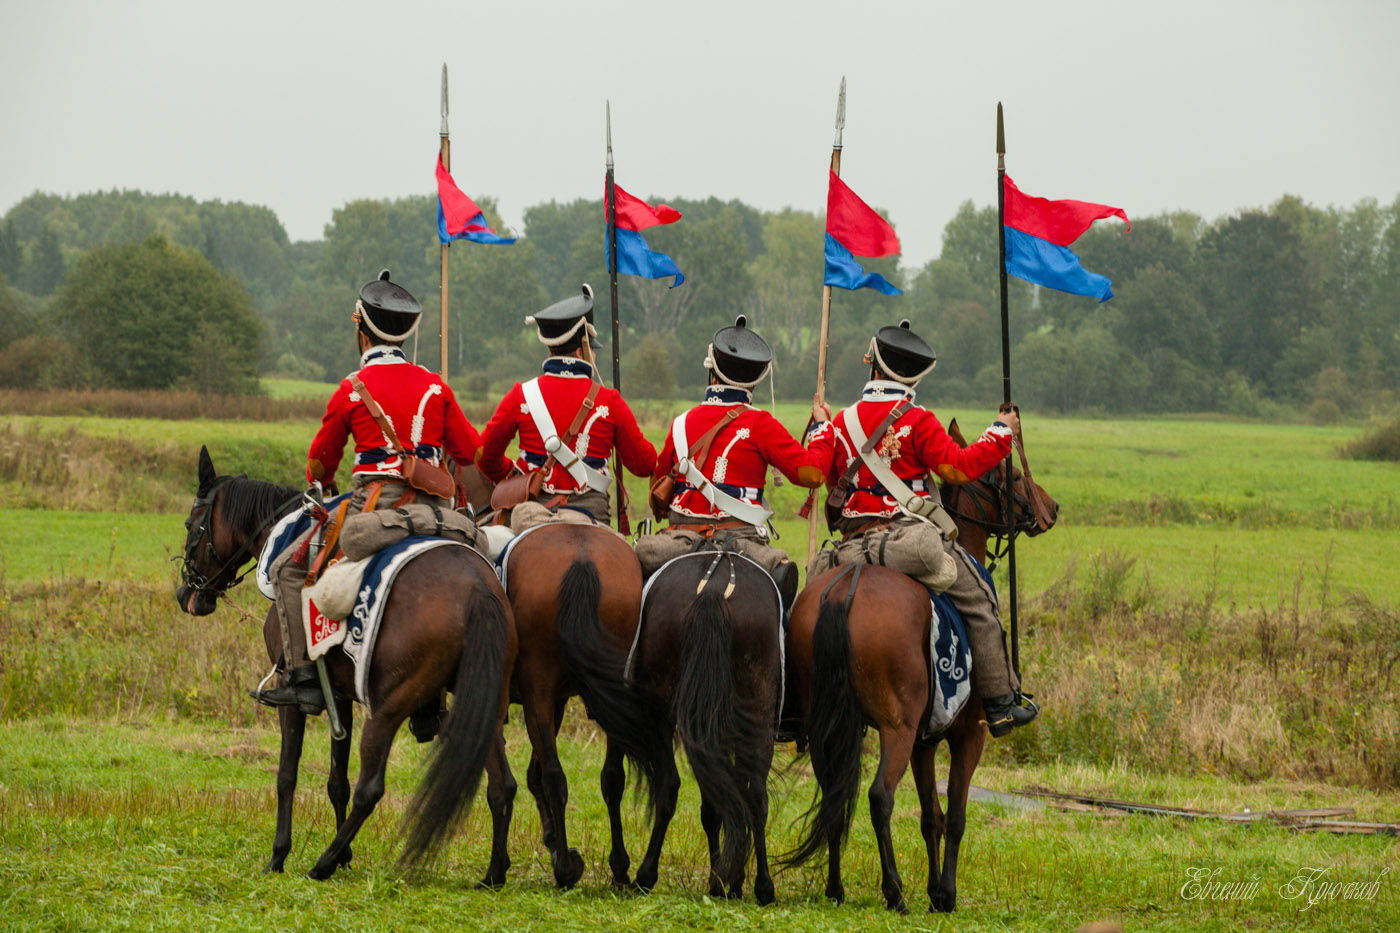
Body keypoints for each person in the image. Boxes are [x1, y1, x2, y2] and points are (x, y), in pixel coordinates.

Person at [252, 269, 481, 716]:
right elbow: (470, 451)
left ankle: (303, 679)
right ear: (404, 334)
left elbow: (320, 460)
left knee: (286, 570)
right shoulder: (436, 386)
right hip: (438, 510)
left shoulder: (351, 389)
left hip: (375, 507)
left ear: (362, 330)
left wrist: (327, 477)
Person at [806, 319, 1036, 736]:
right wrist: (1002, 431)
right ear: (914, 374)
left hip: (853, 544)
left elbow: (830, 480)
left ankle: (794, 707)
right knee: (981, 599)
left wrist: (819, 426)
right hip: (908, 539)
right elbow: (957, 468)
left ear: (873, 366)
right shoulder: (918, 419)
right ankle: (1001, 703)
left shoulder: (840, 421)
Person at [635, 315, 826, 607]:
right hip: (743, 541)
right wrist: (822, 428)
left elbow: (655, 493)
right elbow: (812, 474)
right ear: (756, 378)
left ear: (713, 372)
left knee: (635, 600)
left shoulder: (680, 424)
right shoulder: (761, 423)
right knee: (787, 613)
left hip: (678, 541)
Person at [477, 285, 656, 529]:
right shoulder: (609, 400)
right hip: (591, 511)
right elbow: (644, 465)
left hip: (531, 507)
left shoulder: (520, 396)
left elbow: (485, 456)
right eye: (592, 348)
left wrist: (516, 474)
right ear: (582, 348)